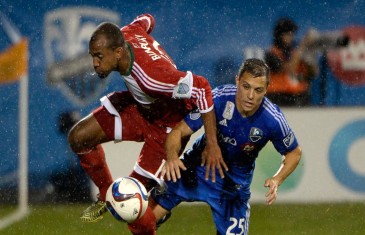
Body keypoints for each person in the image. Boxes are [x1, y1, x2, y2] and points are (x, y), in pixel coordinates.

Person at [67, 13, 227, 232]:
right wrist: (147, 40)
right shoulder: (128, 32)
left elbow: (201, 87)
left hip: (166, 128)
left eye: (99, 56)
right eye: (92, 56)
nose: (94, 63)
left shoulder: (153, 77)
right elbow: (148, 19)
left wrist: (212, 143)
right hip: (139, 108)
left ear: (118, 52)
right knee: (78, 138)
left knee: (131, 207)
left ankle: (149, 219)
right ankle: (105, 196)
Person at [144, 58, 302, 234]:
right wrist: (172, 158)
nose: (250, 96)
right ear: (237, 81)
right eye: (246, 86)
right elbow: (178, 132)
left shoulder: (272, 119)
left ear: (266, 89)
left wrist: (277, 179)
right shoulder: (218, 99)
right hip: (195, 169)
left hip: (233, 187)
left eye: (258, 90)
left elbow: (294, 152)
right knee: (144, 223)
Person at [264, 17, 318, 106]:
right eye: (287, 34)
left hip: (300, 97)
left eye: (292, 34)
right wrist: (302, 47)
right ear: (279, 35)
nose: (291, 37)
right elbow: (288, 69)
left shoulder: (296, 52)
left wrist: (311, 55)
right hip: (278, 98)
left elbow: (313, 73)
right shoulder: (271, 54)